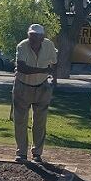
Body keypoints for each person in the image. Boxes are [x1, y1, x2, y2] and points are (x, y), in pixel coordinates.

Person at [13, 23, 59, 163]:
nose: (32, 40)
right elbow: (22, 68)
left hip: (42, 86)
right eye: (31, 36)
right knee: (20, 121)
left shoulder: (49, 45)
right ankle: (21, 152)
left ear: (42, 37)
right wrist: (45, 71)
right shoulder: (22, 46)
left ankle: (37, 153)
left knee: (40, 121)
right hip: (23, 86)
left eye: (36, 37)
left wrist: (54, 79)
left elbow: (54, 63)